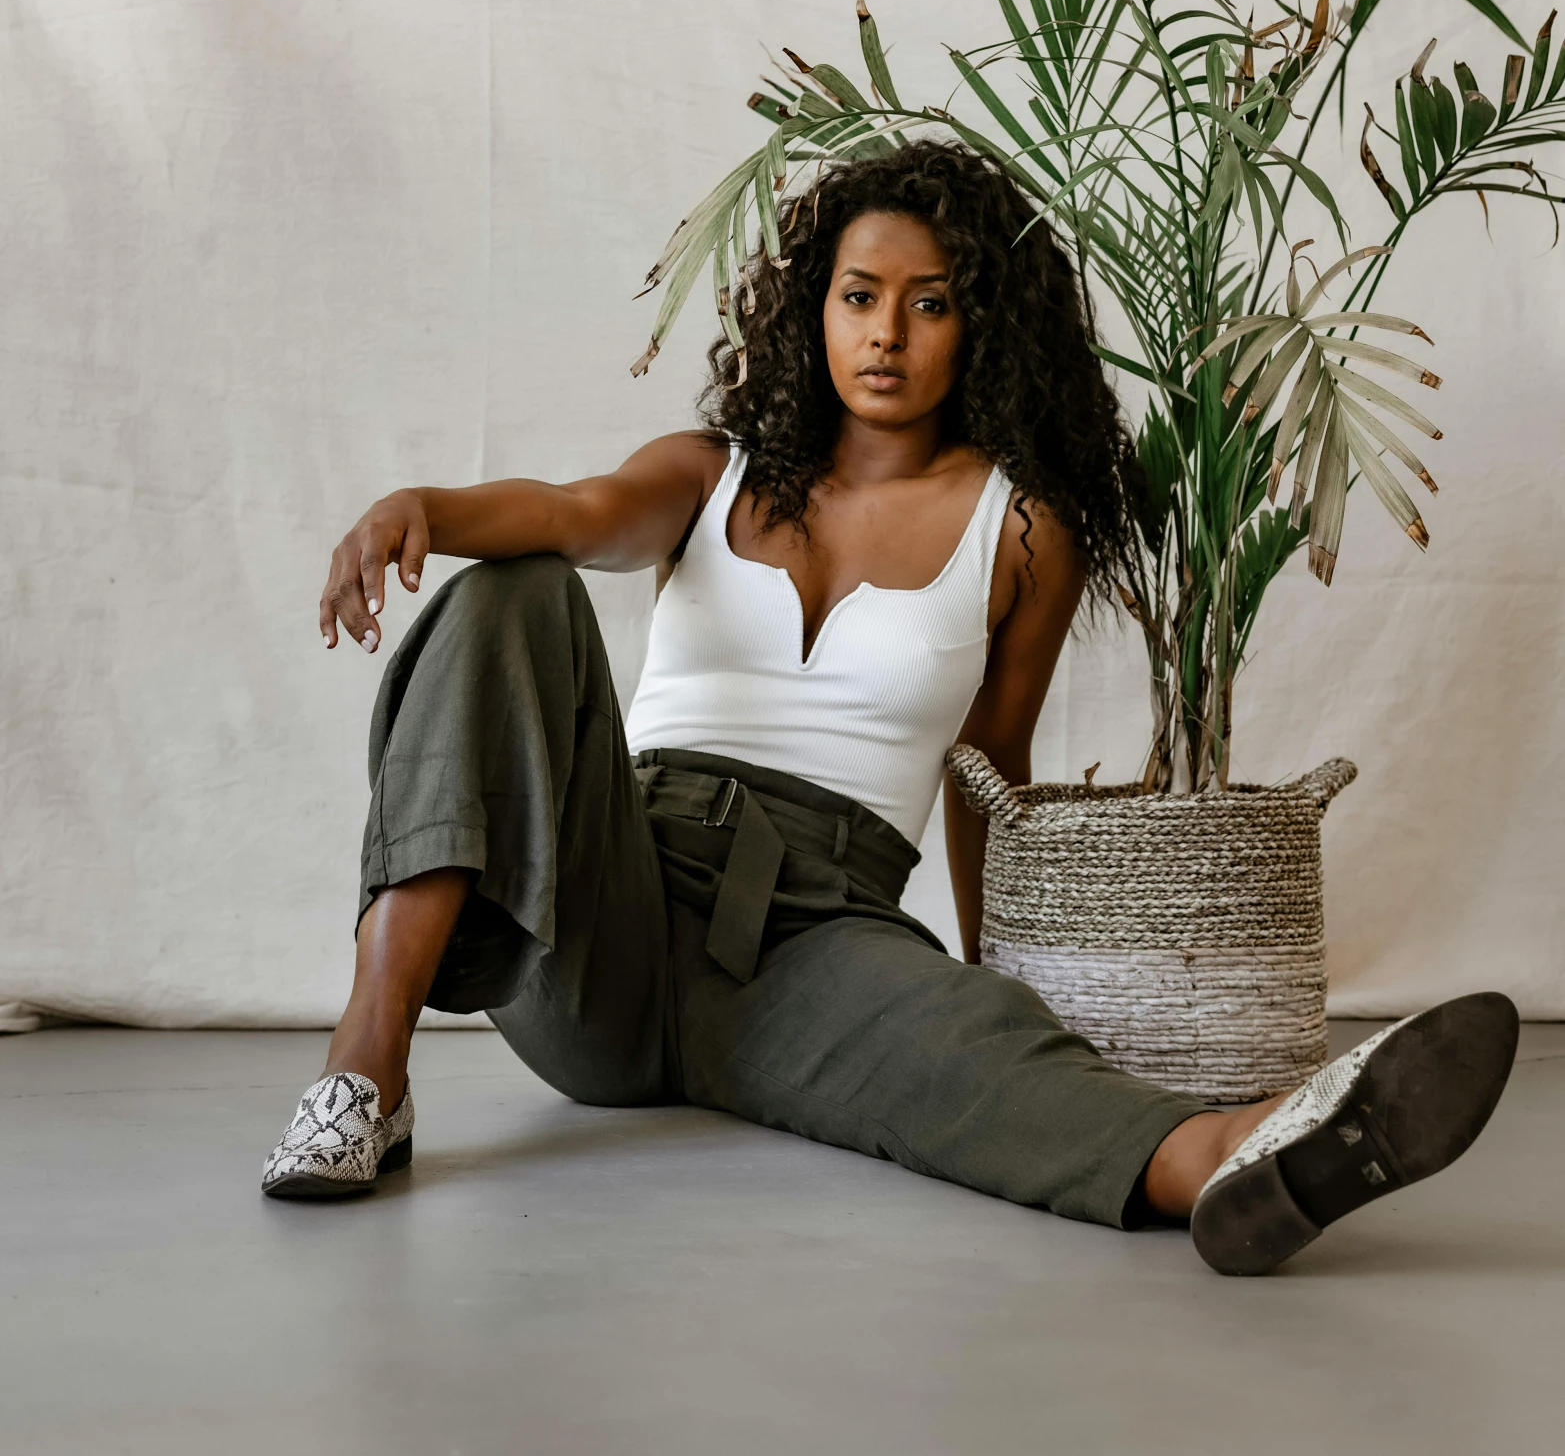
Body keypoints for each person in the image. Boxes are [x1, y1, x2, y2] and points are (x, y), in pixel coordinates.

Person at [262, 142, 1517, 1274]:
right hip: (609, 900)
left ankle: (1235, 1161)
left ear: (980, 328)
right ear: (813, 310)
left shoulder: (1019, 527)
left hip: (817, 933)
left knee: (974, 1046)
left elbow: (990, 767)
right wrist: (416, 503)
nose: (886, 334)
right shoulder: (710, 474)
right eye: (859, 297)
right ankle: (365, 1072)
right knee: (506, 594)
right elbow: (571, 517)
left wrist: (987, 980)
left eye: (929, 304)